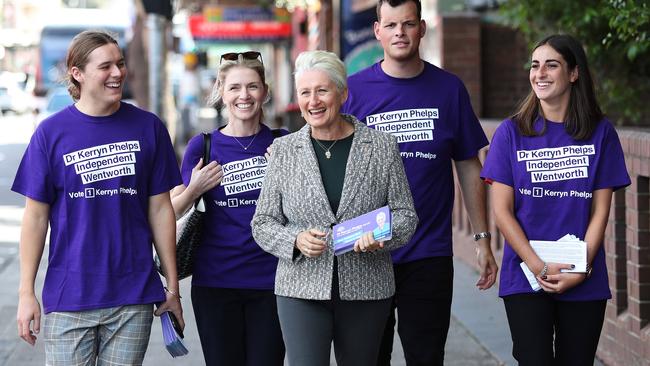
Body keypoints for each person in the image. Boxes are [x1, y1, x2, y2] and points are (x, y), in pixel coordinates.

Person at [341, 0, 499, 364]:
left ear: (422, 28)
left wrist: (482, 238)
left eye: (408, 24)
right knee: (366, 357)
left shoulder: (448, 89)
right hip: (366, 251)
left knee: (426, 357)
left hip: (428, 252)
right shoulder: (352, 92)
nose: (400, 32)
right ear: (377, 31)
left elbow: (468, 164)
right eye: (392, 25)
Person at [12, 30, 183, 365]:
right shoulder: (51, 133)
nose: (118, 73)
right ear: (77, 73)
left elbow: (161, 210)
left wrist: (173, 289)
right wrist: (25, 293)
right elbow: (34, 218)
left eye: (120, 64)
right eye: (106, 66)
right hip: (69, 297)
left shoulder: (148, 128)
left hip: (131, 297)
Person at [252, 50, 418, 366]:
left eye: (322, 90)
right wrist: (295, 240)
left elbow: (406, 215)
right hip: (300, 288)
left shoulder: (381, 146)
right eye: (305, 93)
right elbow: (263, 222)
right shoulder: (284, 151)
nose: (313, 101)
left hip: (367, 289)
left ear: (342, 93)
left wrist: (382, 235)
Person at [481, 34, 631, 365]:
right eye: (535, 65)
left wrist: (582, 268)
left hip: (583, 278)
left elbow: (600, 211)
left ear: (574, 73)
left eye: (552, 65)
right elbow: (502, 212)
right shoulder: (511, 132)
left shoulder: (601, 132)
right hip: (525, 275)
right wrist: (538, 266)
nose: (540, 73)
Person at [171, 51, 286, 366]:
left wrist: (286, 173)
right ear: (221, 92)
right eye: (234, 87)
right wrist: (195, 188)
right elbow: (171, 212)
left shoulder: (283, 142)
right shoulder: (203, 146)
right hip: (216, 283)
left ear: (264, 91)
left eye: (252, 86)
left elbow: (306, 206)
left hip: (273, 282)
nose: (243, 95)